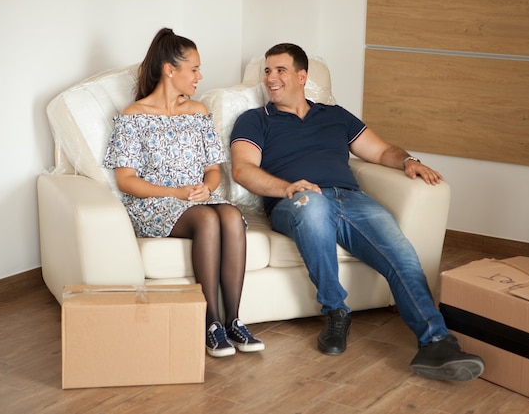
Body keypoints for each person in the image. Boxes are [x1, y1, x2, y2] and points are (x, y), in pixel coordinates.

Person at [229, 43, 483, 381]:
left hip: (351, 199)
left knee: (402, 255)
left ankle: (436, 343)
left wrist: (409, 161)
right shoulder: (254, 120)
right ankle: (336, 311)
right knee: (313, 204)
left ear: (302, 76)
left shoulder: (335, 115)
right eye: (267, 71)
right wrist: (286, 188)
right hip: (297, 201)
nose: (270, 78)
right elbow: (243, 170)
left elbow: (380, 151)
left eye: (280, 70)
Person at [103, 28, 264, 357]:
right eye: (194, 68)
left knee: (231, 215)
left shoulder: (199, 111)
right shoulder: (133, 117)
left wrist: (208, 187)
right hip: (154, 203)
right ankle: (212, 323)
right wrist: (176, 192)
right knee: (206, 220)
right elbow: (126, 180)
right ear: (169, 69)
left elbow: (214, 169)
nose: (199, 76)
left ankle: (234, 320)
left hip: (196, 197)